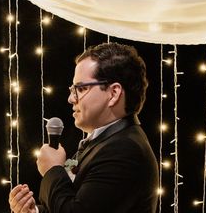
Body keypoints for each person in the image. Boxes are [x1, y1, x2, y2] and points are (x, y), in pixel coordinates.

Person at [9, 42, 159, 213]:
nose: (71, 99)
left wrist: (52, 169)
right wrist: (33, 211)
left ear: (113, 93)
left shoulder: (125, 149)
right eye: (73, 89)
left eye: (81, 88)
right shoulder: (105, 142)